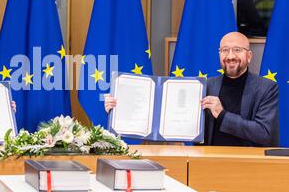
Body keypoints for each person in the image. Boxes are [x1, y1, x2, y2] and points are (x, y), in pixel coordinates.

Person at [104, 32, 279, 147]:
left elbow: (264, 134)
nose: (231, 56)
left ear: (249, 56)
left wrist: (222, 114)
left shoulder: (266, 88)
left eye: (237, 50)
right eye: (225, 50)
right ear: (219, 55)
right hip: (206, 164)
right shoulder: (205, 86)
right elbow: (166, 119)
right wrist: (120, 108)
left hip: (247, 166)